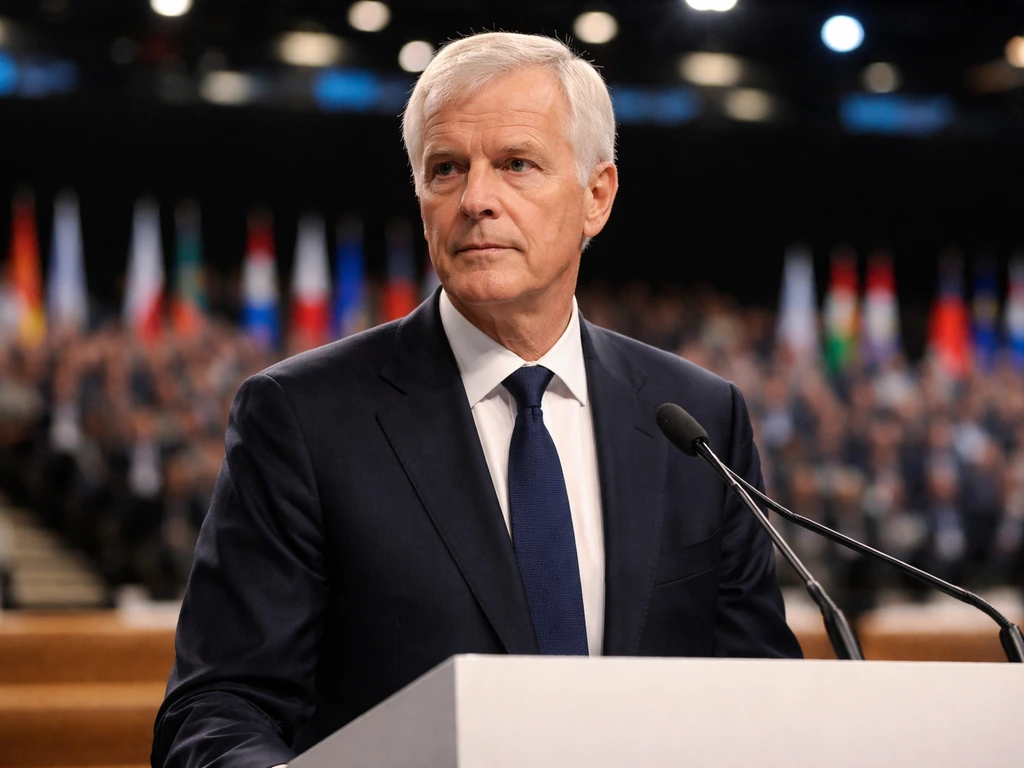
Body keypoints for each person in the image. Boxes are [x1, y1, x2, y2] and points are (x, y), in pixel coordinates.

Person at [152, 31, 801, 768]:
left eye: (516, 165)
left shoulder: (698, 420)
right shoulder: (302, 418)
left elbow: (762, 694)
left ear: (597, 197)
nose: (476, 200)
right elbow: (218, 711)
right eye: (446, 170)